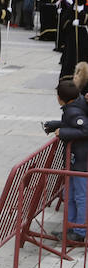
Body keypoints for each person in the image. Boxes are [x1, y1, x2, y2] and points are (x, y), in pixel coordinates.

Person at [43, 81, 88, 243]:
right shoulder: (75, 106)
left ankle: (79, 232)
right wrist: (55, 126)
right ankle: (71, 227)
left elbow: (84, 129)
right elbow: (73, 124)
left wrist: (62, 132)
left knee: (80, 196)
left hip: (81, 162)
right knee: (69, 194)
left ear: (61, 98)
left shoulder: (74, 111)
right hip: (77, 161)